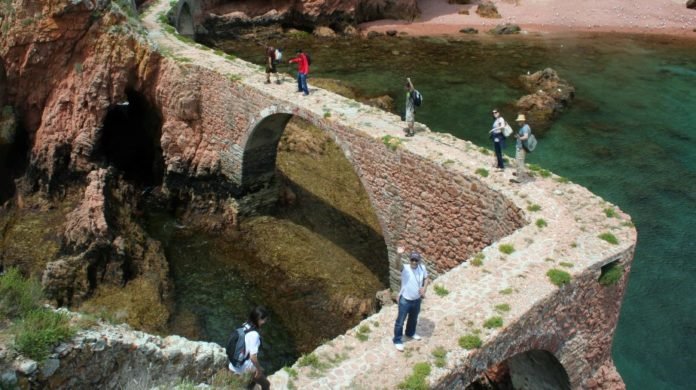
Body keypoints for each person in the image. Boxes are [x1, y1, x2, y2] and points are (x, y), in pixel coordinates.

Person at [393, 251, 429, 351]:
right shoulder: (405, 268)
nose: (414, 262)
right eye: (412, 260)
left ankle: (410, 333)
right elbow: (396, 264)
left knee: (413, 319)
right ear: (409, 260)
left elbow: (426, 278)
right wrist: (399, 255)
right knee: (400, 322)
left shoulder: (422, 268)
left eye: (416, 260)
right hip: (405, 300)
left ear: (419, 261)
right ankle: (397, 340)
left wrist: (424, 288)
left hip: (417, 300)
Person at [229, 306, 270, 390]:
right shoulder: (254, 335)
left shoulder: (244, 325)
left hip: (233, 364)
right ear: (259, 320)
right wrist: (258, 370)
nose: (265, 322)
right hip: (243, 367)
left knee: (260, 371)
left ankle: (251, 383)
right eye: (264, 320)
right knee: (266, 384)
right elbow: (253, 357)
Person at [511, 114, 531, 183]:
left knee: (520, 162)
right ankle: (518, 173)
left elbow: (526, 137)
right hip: (520, 147)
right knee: (518, 161)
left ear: (523, 121)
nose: (518, 122)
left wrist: (518, 138)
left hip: (522, 148)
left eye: (519, 121)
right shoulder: (525, 126)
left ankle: (519, 179)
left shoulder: (525, 128)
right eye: (518, 121)